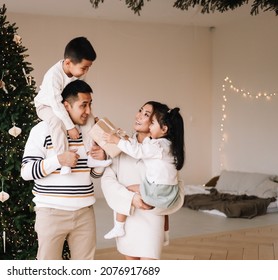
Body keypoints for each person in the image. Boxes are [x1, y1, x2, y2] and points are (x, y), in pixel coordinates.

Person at [21, 80, 107, 260]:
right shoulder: (41, 130)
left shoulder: (90, 131)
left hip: (85, 212)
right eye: (83, 105)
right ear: (66, 106)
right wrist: (58, 160)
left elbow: (93, 174)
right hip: (51, 213)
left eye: (90, 104)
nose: (88, 111)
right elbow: (26, 172)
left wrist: (100, 160)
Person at [101, 101, 185, 260]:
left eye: (148, 116)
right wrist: (131, 199)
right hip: (128, 216)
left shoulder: (156, 147)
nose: (139, 116)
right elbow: (108, 178)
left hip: (152, 215)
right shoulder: (126, 146)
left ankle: (120, 225)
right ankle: (119, 226)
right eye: (140, 110)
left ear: (163, 127)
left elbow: (174, 185)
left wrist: (152, 200)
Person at [34, 36, 111, 175]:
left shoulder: (78, 73)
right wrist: (70, 127)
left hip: (64, 104)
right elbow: (56, 105)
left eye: (88, 68)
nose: (86, 72)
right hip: (47, 106)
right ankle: (64, 159)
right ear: (68, 62)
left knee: (89, 118)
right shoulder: (54, 76)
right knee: (56, 122)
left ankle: (90, 155)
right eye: (84, 68)